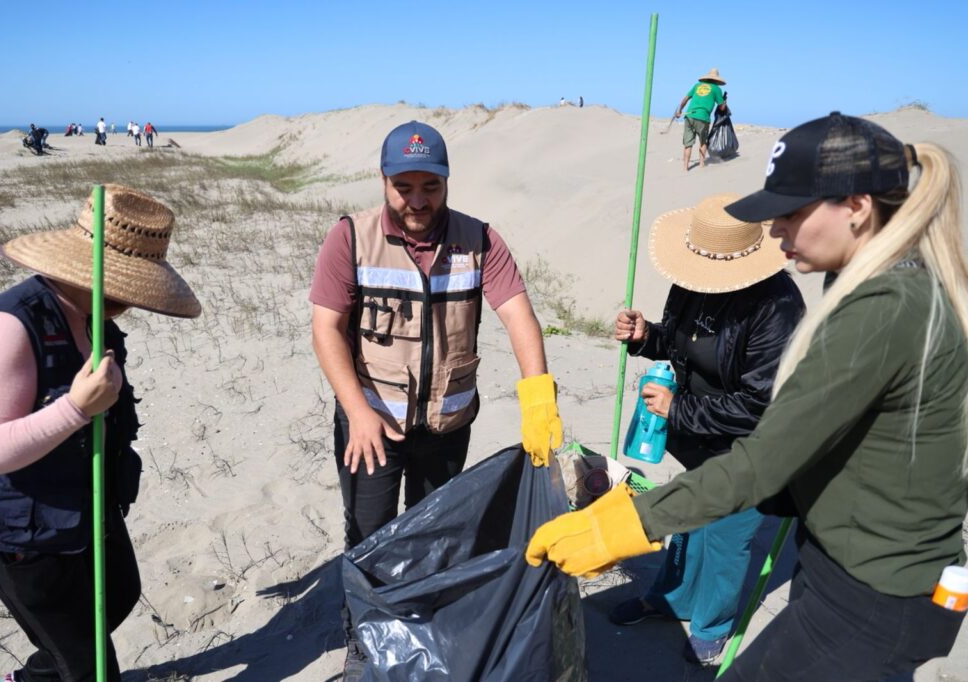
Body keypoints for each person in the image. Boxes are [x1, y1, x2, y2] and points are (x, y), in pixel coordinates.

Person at [527, 112, 968, 681]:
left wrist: (612, 528)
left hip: (878, 591)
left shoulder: (882, 307)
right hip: (844, 564)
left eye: (789, 211)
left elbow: (764, 458)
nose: (776, 229)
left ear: (856, 207)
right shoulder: (868, 281)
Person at [310, 120, 563, 680]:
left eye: (432, 187)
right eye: (405, 188)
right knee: (368, 537)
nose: (418, 200)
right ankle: (363, 639)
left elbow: (519, 316)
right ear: (383, 180)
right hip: (370, 424)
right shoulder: (350, 237)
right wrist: (357, 413)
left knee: (437, 536)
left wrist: (538, 398)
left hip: (447, 425)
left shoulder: (481, 241)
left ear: (448, 182)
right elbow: (327, 328)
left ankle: (422, 625)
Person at [0, 185, 201, 682]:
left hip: (81, 502)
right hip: (16, 528)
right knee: (88, 665)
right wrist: (75, 410)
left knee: (120, 593)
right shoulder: (7, 326)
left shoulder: (90, 314)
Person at [608, 193, 804, 664]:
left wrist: (677, 411)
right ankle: (669, 599)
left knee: (727, 537)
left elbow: (761, 404)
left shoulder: (776, 307)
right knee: (689, 519)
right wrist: (646, 337)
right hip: (698, 436)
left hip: (750, 449)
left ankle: (712, 628)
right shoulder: (692, 282)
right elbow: (686, 344)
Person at [674, 68, 727, 171]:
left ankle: (685, 168)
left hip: (689, 116)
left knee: (688, 144)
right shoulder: (716, 89)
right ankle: (702, 164)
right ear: (717, 80)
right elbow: (722, 107)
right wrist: (724, 101)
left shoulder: (697, 85)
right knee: (703, 142)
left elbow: (685, 99)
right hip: (703, 117)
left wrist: (680, 111)